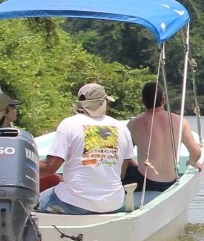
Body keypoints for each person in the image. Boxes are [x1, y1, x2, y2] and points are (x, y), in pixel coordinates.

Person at [37, 82, 135, 214]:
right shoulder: (122, 128)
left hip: (73, 203)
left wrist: (22, 165)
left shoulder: (69, 124)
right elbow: (121, 173)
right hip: (114, 202)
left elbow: (49, 168)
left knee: (29, 203)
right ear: (104, 102)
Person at [123, 81, 204, 202]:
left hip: (145, 181)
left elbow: (125, 156)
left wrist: (124, 173)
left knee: (127, 169)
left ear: (142, 101)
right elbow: (196, 152)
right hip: (170, 181)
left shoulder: (134, 124)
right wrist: (193, 162)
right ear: (163, 99)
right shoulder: (180, 121)